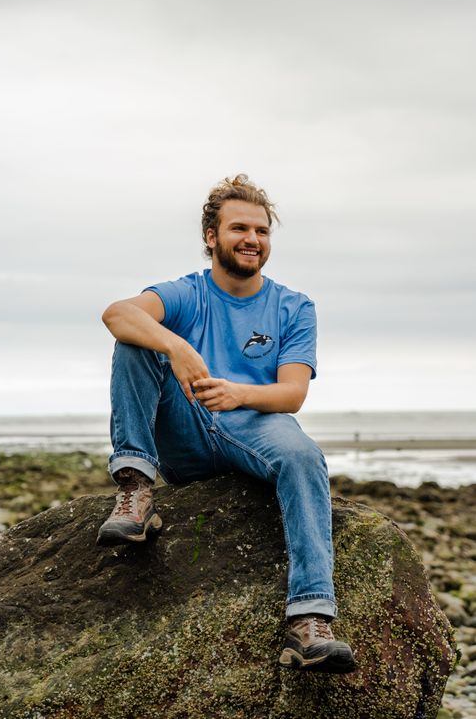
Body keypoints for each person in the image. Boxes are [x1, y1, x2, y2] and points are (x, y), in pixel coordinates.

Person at [98, 174, 356, 672]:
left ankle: (310, 622)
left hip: (255, 428)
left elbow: (293, 393)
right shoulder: (187, 294)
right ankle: (134, 491)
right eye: (240, 228)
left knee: (304, 456)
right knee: (135, 340)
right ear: (211, 237)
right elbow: (116, 313)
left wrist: (238, 392)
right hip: (187, 432)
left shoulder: (293, 306)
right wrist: (176, 345)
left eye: (262, 231)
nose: (252, 240)